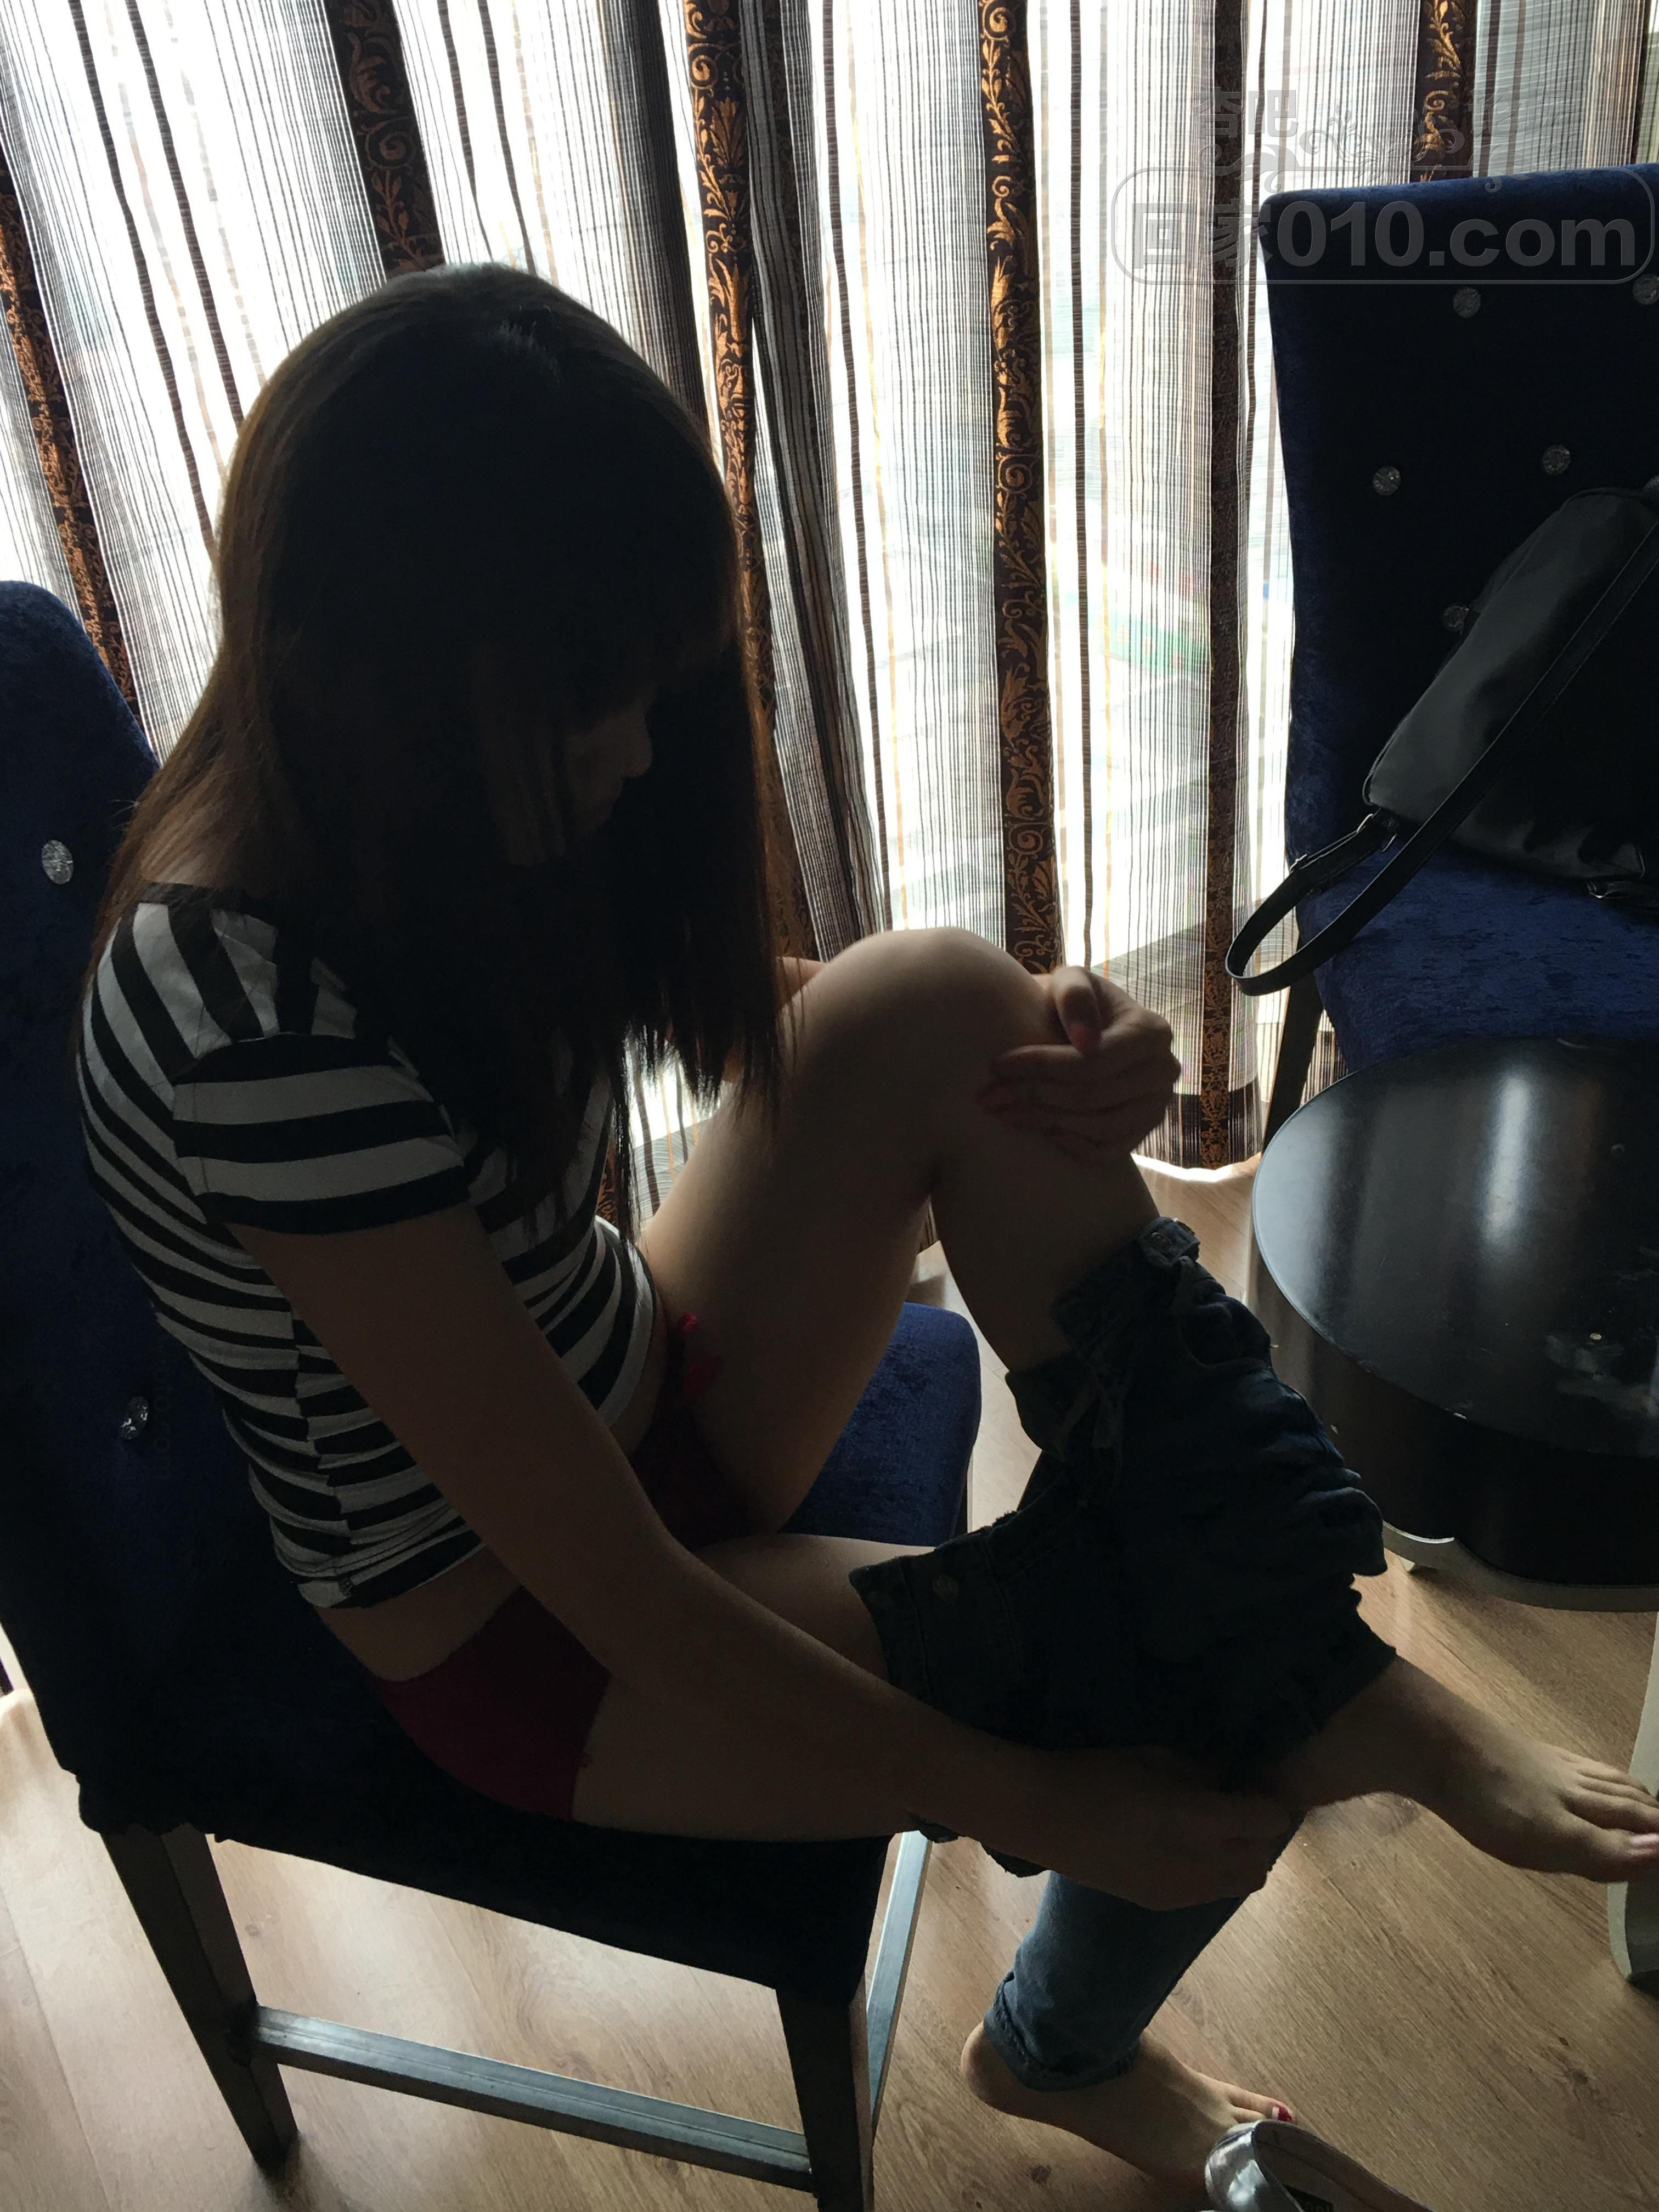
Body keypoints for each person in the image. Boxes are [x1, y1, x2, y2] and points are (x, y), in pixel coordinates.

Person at [76, 264, 1659, 2194]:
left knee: (940, 994)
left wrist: (1055, 1037)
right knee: (1192, 1710)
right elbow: (615, 1586)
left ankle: (1320, 1662)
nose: (636, 754)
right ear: (382, 672)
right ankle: (1069, 2048)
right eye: (591, 707)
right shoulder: (243, 1029)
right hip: (520, 1629)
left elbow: (729, 1010)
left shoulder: (415, 813)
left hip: (632, 1380)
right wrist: (1039, 1805)